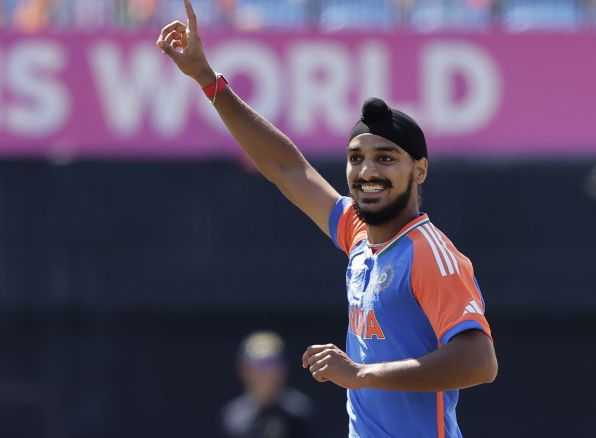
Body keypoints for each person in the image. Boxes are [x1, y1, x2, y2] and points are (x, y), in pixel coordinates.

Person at [156, 2, 498, 437]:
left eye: (385, 158)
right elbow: (288, 169)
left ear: (420, 170)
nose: (368, 171)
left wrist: (361, 374)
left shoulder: (430, 253)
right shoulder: (359, 232)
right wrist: (209, 82)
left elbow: (479, 362)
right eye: (357, 158)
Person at [220, 331, 314, 438]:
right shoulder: (233, 417)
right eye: (258, 365)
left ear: (284, 369)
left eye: (272, 364)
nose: (267, 373)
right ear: (243, 370)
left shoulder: (300, 411)